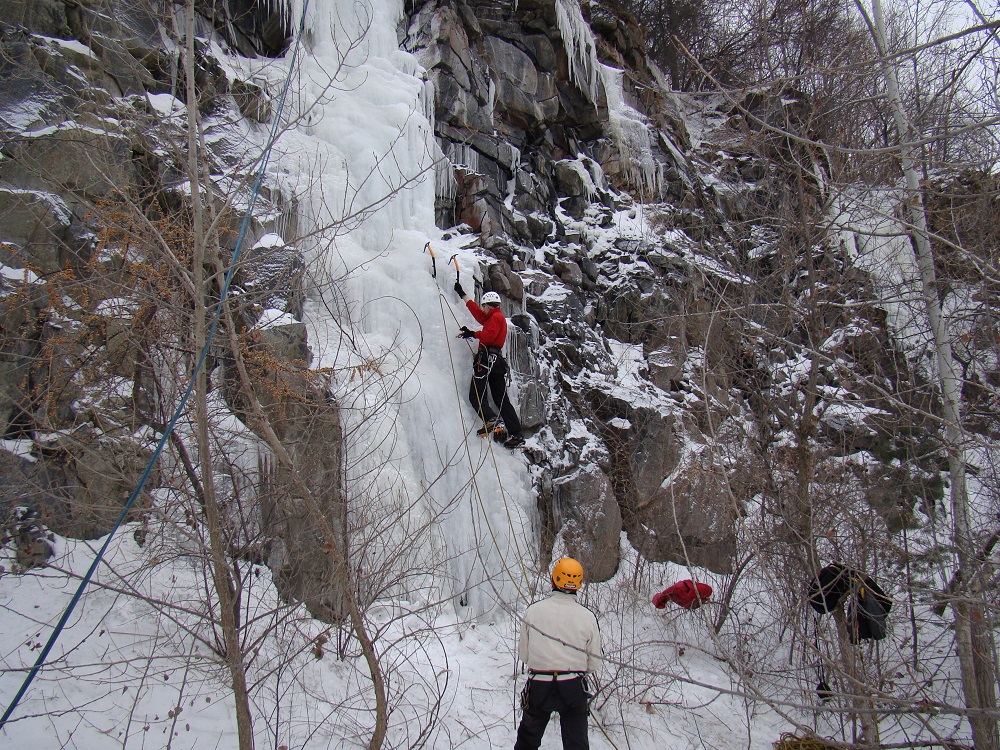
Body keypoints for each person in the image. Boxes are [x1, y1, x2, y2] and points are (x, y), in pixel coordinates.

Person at [514, 557, 602, 750]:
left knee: (527, 741)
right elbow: (595, 662)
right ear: (578, 584)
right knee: (576, 743)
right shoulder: (587, 617)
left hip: (539, 685)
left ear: (554, 579)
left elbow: (525, 656)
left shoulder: (533, 611)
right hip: (573, 686)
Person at [454, 280, 525, 449]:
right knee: (501, 400)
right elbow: (479, 315)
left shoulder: (496, 317)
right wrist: (463, 295)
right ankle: (516, 434)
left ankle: (491, 419)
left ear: (489, 306)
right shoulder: (494, 317)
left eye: (484, 306)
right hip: (496, 363)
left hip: (486, 360)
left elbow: (488, 335)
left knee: (476, 395)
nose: (483, 309)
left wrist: (472, 333)